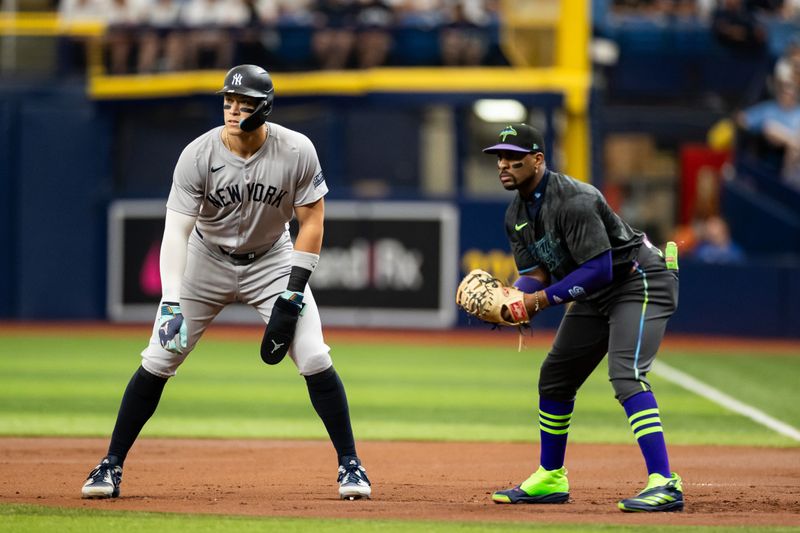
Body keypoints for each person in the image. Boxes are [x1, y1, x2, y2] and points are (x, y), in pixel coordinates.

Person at [81, 64, 371, 502]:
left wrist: (293, 291)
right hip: (205, 260)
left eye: (245, 105)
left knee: (313, 355)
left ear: (265, 109)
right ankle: (110, 464)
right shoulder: (198, 155)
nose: (233, 111)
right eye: (228, 102)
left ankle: (351, 464)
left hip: (271, 260)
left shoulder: (296, 150)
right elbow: (176, 231)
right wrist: (171, 301)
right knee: (160, 357)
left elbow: (312, 221)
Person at [481, 123, 683, 512]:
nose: (504, 164)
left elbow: (600, 270)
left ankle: (665, 483)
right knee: (555, 377)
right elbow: (537, 271)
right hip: (596, 292)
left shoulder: (575, 199)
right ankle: (551, 477)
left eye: (514, 158)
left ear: (538, 160)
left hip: (637, 281)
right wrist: (512, 298)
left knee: (626, 374)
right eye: (499, 158)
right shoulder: (516, 213)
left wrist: (538, 301)